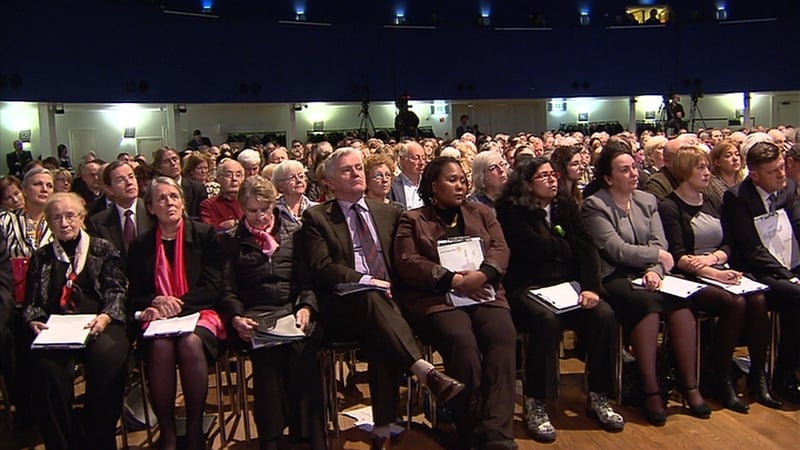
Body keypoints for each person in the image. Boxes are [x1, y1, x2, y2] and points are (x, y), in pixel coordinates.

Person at [296, 148, 464, 450]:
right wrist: (366, 280)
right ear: (330, 182)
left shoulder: (389, 212)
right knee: (372, 299)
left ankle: (384, 426)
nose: (357, 173)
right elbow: (323, 269)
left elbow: (410, 255)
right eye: (347, 170)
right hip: (343, 306)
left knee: (382, 331)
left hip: (391, 304)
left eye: (359, 167)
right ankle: (425, 372)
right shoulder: (317, 217)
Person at [393, 157, 516, 450]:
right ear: (433, 186)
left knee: (503, 336)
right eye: (452, 180)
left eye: (462, 179)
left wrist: (483, 275)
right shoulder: (412, 219)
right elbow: (408, 261)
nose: (460, 185)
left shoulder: (482, 212)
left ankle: (497, 431)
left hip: (483, 291)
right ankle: (470, 426)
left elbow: (500, 248)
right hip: (438, 299)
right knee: (462, 341)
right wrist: (453, 280)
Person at [496, 158, 622, 441]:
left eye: (554, 174)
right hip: (526, 287)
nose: (553, 180)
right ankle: (535, 401)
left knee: (603, 314)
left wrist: (591, 287)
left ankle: (599, 394)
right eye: (544, 176)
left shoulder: (565, 206)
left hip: (568, 287)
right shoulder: (510, 209)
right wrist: (564, 247)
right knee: (545, 320)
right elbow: (529, 247)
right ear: (528, 183)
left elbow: (587, 248)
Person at [583, 144, 710, 426]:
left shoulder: (646, 200)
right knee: (648, 306)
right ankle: (650, 389)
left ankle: (690, 386)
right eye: (624, 170)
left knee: (680, 304)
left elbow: (659, 242)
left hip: (649, 273)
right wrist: (656, 258)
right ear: (607, 177)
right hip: (614, 276)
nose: (633, 174)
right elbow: (616, 249)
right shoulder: (595, 205)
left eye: (633, 167)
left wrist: (655, 268)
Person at [659, 146, 778, 412]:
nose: (707, 172)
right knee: (734, 303)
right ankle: (720, 377)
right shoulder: (669, 206)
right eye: (699, 168)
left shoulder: (713, 200)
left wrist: (715, 261)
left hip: (717, 266)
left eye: (706, 167)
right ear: (684, 172)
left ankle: (758, 376)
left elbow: (728, 242)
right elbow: (679, 255)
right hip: (688, 276)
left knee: (758, 299)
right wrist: (713, 273)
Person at [219, 177, 325, 450]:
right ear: (242, 208)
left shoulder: (295, 232)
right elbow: (228, 290)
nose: (259, 216)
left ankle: (310, 435)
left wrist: (305, 307)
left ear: (273, 205)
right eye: (252, 211)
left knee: (304, 353)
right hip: (256, 314)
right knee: (267, 361)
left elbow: (307, 281)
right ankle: (272, 438)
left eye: (264, 209)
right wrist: (236, 317)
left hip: (293, 309)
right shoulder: (231, 241)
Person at [22, 192, 128, 450]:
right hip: (57, 328)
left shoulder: (103, 248)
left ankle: (98, 437)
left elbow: (116, 290)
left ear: (82, 217)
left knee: (108, 359)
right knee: (46, 370)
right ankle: (63, 441)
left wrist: (105, 316)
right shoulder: (42, 256)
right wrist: (34, 320)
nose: (64, 222)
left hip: (99, 323)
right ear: (48, 222)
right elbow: (32, 301)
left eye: (70, 216)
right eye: (56, 217)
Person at [127, 176, 224, 450]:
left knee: (190, 343)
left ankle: (194, 430)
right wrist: (155, 301)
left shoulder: (205, 235)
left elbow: (213, 286)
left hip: (200, 312)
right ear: (150, 207)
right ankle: (168, 431)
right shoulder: (141, 245)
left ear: (182, 202)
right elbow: (134, 294)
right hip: (158, 318)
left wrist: (179, 303)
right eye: (161, 198)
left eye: (174, 196)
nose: (169, 202)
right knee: (160, 347)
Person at [721, 141, 800, 404]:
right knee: (795, 295)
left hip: (790, 261)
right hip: (757, 270)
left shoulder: (788, 189)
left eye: (781, 168)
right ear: (754, 175)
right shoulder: (737, 198)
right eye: (773, 171)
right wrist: (787, 275)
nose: (781, 175)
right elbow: (752, 249)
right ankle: (782, 372)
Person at [86, 161, 155, 264]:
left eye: (131, 177)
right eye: (120, 180)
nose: (129, 182)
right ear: (108, 189)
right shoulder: (98, 223)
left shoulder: (153, 212)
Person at [153, 146, 208, 220]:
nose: (173, 163)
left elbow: (203, 218)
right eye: (166, 161)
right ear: (159, 168)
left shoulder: (197, 188)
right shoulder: (154, 191)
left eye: (175, 159)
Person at [199, 159, 245, 232]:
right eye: (228, 175)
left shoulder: (249, 202)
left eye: (238, 175)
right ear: (219, 178)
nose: (234, 179)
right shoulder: (208, 205)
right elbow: (209, 232)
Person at [272, 160, 317, 225]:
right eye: (292, 178)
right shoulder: (274, 210)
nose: (299, 180)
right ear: (280, 186)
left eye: (301, 176)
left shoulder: (316, 209)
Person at [704, 141, 745, 211]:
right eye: (728, 156)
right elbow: (732, 207)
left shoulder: (742, 179)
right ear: (717, 162)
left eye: (737, 154)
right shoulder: (714, 183)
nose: (735, 159)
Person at [388, 141, 426, 210]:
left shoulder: (428, 184)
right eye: (416, 158)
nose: (422, 163)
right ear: (402, 160)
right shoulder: (392, 186)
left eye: (423, 158)